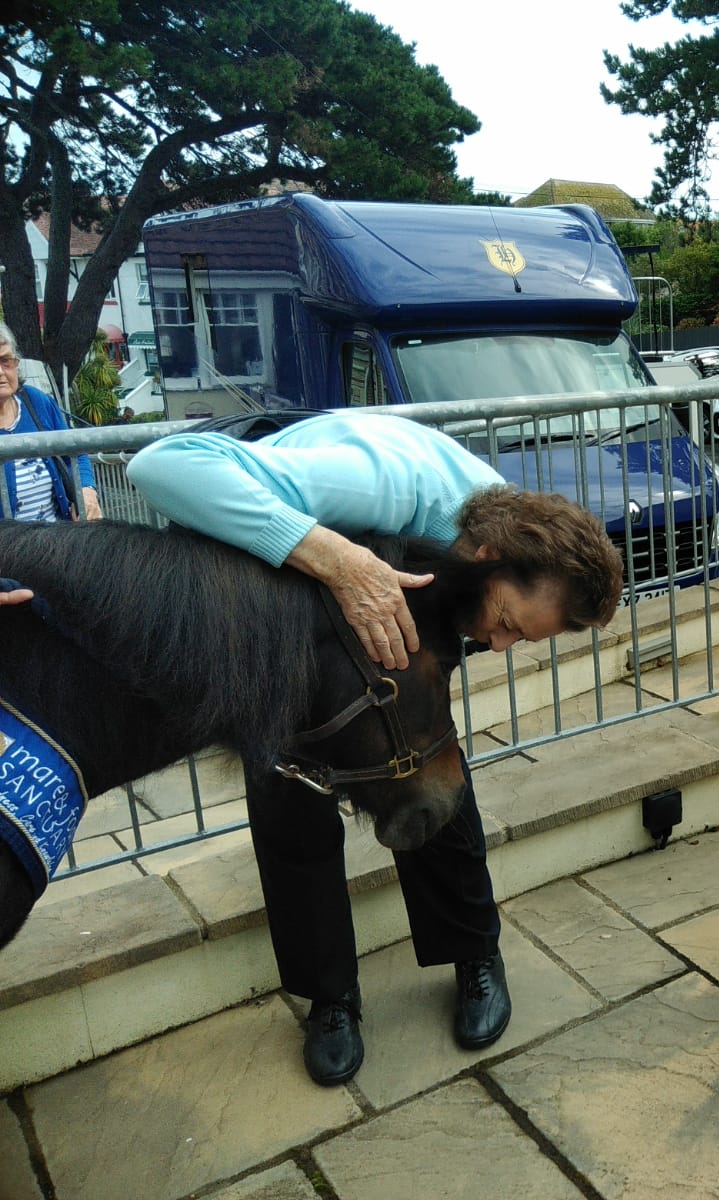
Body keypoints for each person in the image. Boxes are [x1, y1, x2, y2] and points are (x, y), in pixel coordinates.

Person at [125, 410, 623, 1085]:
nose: (500, 646)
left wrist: (462, 617)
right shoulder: (388, 484)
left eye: (521, 639)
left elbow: (474, 630)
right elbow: (159, 465)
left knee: (429, 767)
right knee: (289, 792)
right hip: (278, 601)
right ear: (486, 560)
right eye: (506, 623)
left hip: (404, 591)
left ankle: (474, 951)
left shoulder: (510, 532)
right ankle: (329, 997)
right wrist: (342, 562)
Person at [0, 322, 101, 522]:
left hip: (54, 538)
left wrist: (86, 490)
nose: (1, 372)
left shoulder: (36, 402)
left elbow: (75, 452)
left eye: (6, 361)